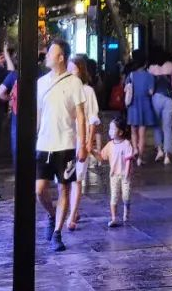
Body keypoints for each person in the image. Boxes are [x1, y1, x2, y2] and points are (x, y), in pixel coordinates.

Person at [35, 37, 88, 253]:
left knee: (64, 186)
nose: (46, 56)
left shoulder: (74, 82)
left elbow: (81, 117)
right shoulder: (41, 83)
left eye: (50, 52)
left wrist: (82, 144)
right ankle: (51, 214)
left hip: (66, 143)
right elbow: (38, 114)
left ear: (61, 57)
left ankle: (57, 232)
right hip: (44, 143)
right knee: (39, 190)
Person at [65, 54, 101, 231]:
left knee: (77, 178)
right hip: (66, 139)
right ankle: (74, 209)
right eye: (69, 68)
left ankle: (72, 216)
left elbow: (93, 119)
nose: (71, 72)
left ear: (81, 71)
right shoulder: (65, 90)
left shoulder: (87, 91)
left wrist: (88, 142)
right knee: (65, 178)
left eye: (74, 69)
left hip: (81, 139)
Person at [148, 43, 172, 165]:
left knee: (157, 126)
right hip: (169, 98)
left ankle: (159, 150)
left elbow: (151, 88)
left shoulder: (151, 68)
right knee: (168, 127)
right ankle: (167, 155)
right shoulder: (171, 65)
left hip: (155, 98)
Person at [99, 115, 136, 227]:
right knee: (114, 197)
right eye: (109, 129)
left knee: (126, 196)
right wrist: (91, 151)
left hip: (126, 176)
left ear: (120, 132)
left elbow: (129, 158)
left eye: (112, 129)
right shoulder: (109, 145)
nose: (110, 131)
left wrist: (128, 171)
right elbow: (101, 156)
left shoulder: (126, 144)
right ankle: (114, 217)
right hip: (114, 175)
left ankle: (126, 211)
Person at [124, 51, 157, 163]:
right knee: (142, 134)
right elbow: (151, 92)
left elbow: (126, 88)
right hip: (144, 106)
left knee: (133, 132)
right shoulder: (149, 76)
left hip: (133, 106)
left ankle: (134, 149)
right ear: (145, 63)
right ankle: (140, 158)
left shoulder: (131, 75)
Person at [0, 48, 19, 179]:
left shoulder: (13, 75)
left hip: (17, 117)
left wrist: (10, 98)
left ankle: (19, 177)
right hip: (34, 119)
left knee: (17, 149)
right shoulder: (39, 75)